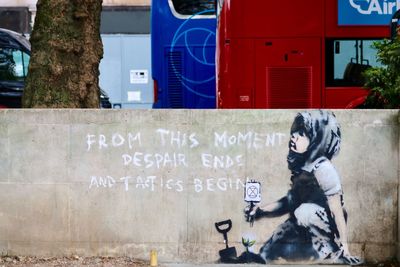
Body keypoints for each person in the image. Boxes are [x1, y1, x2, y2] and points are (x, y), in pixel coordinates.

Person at [246, 110, 361, 265]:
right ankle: (263, 258)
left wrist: (345, 247)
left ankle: (331, 252)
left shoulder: (323, 168)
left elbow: (337, 211)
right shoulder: (302, 168)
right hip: (304, 222)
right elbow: (287, 202)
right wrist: (261, 210)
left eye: (302, 133)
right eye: (294, 132)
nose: (294, 136)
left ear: (317, 138)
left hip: (324, 225)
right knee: (283, 231)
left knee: (303, 211)